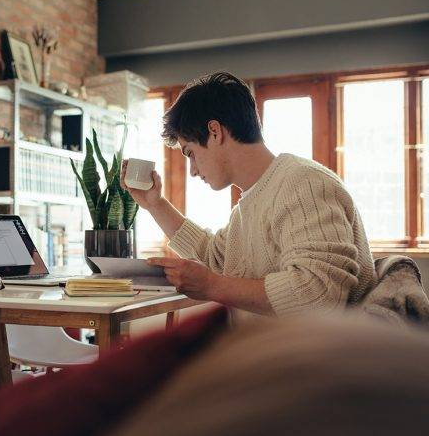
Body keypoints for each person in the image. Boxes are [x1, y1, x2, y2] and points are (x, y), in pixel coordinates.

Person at [121, 71, 377, 317]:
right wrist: (155, 204)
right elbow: (214, 258)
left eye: (190, 153)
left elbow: (319, 294)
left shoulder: (303, 183)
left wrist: (213, 286)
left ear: (215, 131)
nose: (193, 171)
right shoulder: (250, 204)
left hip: (317, 359)